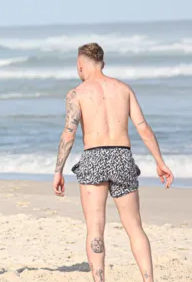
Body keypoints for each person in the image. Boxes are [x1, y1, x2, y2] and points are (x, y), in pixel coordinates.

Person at [52, 42, 174, 282]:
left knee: (95, 229)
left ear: (80, 65)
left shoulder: (76, 94)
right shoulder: (123, 89)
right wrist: (160, 161)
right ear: (103, 64)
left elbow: (69, 133)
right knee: (135, 227)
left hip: (94, 157)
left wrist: (59, 170)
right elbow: (143, 129)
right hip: (122, 156)